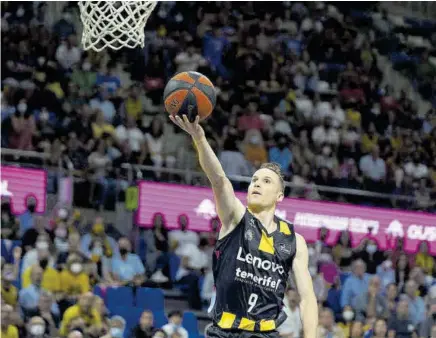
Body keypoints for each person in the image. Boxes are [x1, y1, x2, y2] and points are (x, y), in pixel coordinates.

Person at [169, 114, 317, 337]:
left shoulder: (294, 240)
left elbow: (307, 298)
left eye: (266, 181)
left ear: (279, 196)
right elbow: (219, 179)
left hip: (264, 333)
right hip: (225, 331)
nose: (256, 184)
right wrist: (199, 138)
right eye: (254, 180)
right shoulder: (236, 218)